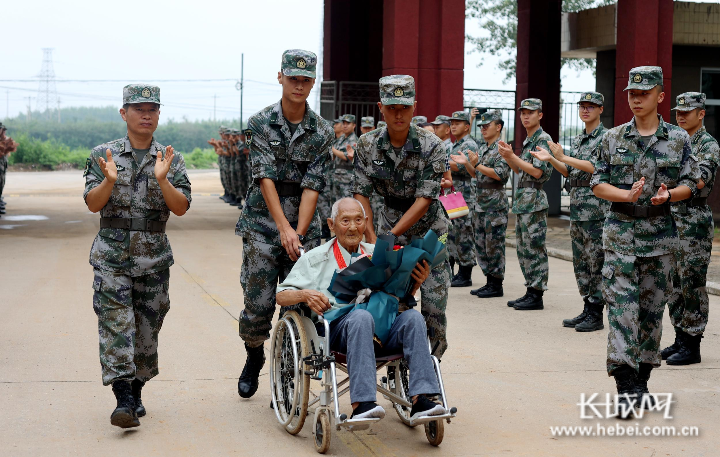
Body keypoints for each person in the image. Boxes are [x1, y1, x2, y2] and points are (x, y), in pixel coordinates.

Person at [276, 198, 447, 420]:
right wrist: (305, 294)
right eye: (345, 220)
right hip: (338, 330)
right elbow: (281, 295)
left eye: (358, 220)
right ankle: (362, 404)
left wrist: (416, 282)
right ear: (331, 224)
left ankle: (421, 400)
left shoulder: (379, 253)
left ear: (366, 222)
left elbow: (401, 297)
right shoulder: (315, 257)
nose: (353, 227)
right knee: (361, 317)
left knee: (413, 318)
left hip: (382, 327)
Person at [591, 66, 699, 417]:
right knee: (622, 312)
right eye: (631, 93)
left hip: (661, 239)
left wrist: (670, 196)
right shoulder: (612, 137)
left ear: (661, 96)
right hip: (620, 236)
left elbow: (693, 182)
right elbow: (596, 183)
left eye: (645, 92)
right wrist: (625, 194)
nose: (636, 98)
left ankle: (642, 382)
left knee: (652, 314)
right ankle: (625, 386)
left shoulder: (679, 139)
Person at [83, 84, 192, 428]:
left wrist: (163, 180)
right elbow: (92, 203)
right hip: (112, 258)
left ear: (158, 114)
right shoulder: (104, 155)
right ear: (124, 113)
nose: (146, 115)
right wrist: (109, 180)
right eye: (138, 109)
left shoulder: (170, 157)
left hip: (154, 259)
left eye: (152, 109)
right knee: (116, 325)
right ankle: (123, 400)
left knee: (148, 330)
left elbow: (181, 207)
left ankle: (137, 387)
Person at [235, 49, 334, 399]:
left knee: (299, 303)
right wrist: (283, 228)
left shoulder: (322, 130)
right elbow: (265, 178)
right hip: (264, 222)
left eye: (306, 80)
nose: (299, 85)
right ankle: (253, 354)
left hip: (304, 225)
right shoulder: (262, 122)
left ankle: (291, 369)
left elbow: (313, 186)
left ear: (313, 83)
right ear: (280, 77)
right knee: (259, 302)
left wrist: (300, 233)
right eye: (293, 78)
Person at [353, 75, 451, 358]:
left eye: (405, 107)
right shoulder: (366, 144)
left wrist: (391, 236)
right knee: (391, 298)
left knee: (433, 303)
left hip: (429, 230)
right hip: (386, 220)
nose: (398, 114)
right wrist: (373, 238)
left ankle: (430, 368)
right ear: (380, 107)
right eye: (392, 107)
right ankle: (398, 357)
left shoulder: (433, 145)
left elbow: (425, 198)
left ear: (414, 107)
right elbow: (362, 192)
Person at [531, 92, 609, 331]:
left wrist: (564, 157)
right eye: (582, 106)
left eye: (591, 107)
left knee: (596, 261)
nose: (585, 110)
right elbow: (568, 171)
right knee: (581, 262)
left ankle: (596, 313)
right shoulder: (578, 139)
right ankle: (587, 306)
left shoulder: (606, 138)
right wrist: (552, 159)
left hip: (595, 210)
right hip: (577, 208)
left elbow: (596, 167)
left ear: (600, 110)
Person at [661, 92, 719, 365]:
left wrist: (670, 180)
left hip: (693, 221)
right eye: (678, 112)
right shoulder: (673, 141)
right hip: (671, 219)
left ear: (701, 114)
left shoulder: (707, 145)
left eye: (688, 111)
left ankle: (692, 343)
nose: (681, 116)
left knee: (692, 284)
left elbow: (698, 181)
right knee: (672, 283)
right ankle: (680, 337)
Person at [498, 98, 553, 310]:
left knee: (535, 247)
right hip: (524, 201)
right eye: (523, 113)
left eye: (530, 112)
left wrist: (514, 157)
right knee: (523, 248)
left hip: (535, 202)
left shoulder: (543, 139)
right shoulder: (530, 139)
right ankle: (530, 289)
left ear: (540, 114)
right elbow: (520, 170)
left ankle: (537, 293)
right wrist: (508, 157)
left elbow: (537, 172)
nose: (525, 116)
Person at [464, 110, 511, 298]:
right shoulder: (483, 148)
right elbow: (477, 174)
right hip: (480, 204)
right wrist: (469, 163)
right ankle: (488, 281)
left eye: (487, 126)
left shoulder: (502, 149)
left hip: (494, 205)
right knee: (481, 244)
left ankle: (496, 284)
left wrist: (476, 165)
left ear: (498, 127)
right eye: (481, 126)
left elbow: (500, 175)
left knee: (494, 245)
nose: (483, 129)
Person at [447, 110, 479, 287]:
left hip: (465, 194)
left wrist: (442, 161)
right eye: (452, 122)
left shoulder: (469, 144)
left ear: (467, 126)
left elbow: (460, 166)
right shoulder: (455, 144)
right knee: (454, 233)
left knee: (464, 233)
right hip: (454, 194)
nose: (453, 125)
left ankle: (466, 273)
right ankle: (457, 270)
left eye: (457, 123)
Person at [317, 118, 343, 239]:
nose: (334, 127)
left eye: (336, 124)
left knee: (341, 207)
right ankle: (328, 230)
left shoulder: (350, 141)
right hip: (332, 179)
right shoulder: (336, 141)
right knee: (329, 206)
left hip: (343, 182)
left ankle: (337, 232)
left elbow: (347, 157)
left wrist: (331, 149)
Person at [332, 114, 358, 200]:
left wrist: (332, 149)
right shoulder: (340, 139)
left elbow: (345, 156)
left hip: (347, 179)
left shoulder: (354, 140)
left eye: (348, 123)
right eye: (343, 123)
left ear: (354, 125)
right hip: (337, 177)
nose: (345, 126)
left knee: (347, 204)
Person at [0, 123, 18, 216]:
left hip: (2, 166)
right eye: (2, 130)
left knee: (1, 183)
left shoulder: (3, 140)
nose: (3, 132)